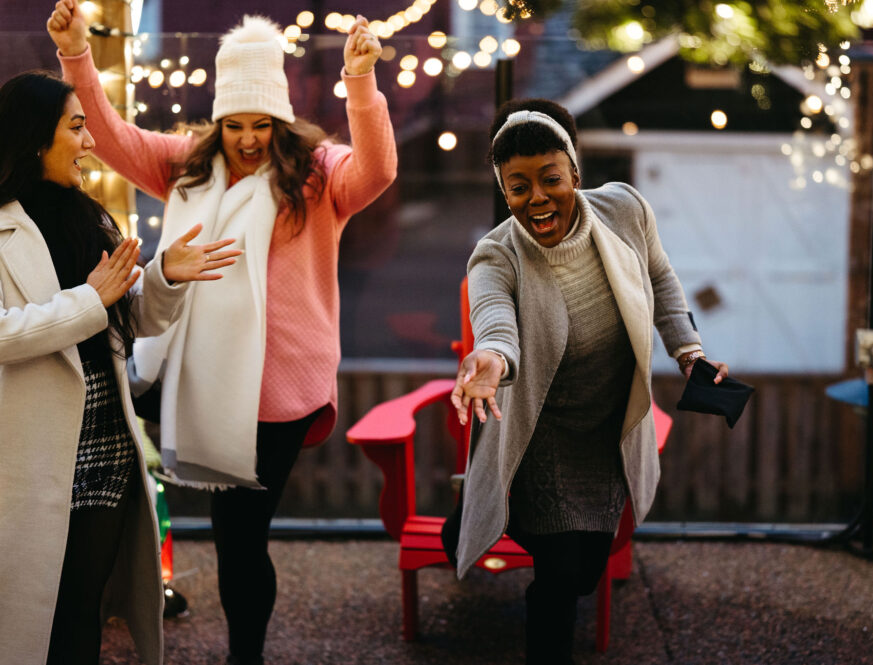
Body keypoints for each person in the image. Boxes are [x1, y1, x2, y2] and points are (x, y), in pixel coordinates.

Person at [48, 3, 397, 663]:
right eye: (234, 124)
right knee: (232, 531)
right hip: (195, 377)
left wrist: (360, 82)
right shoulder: (190, 163)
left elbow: (377, 173)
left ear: (281, 119)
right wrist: (76, 54)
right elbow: (116, 138)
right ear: (218, 120)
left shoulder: (318, 172)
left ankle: (246, 653)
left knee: (241, 534)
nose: (246, 139)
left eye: (261, 124)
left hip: (283, 392)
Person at [449, 98, 729, 664]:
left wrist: (689, 351)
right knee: (559, 577)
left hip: (607, 428)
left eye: (550, 179)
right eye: (518, 187)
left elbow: (660, 278)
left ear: (575, 172)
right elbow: (495, 322)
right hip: (543, 432)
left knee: (584, 570)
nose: (537, 198)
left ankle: (465, 516)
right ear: (505, 192)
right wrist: (493, 358)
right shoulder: (495, 255)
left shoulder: (626, 209)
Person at [0, 70, 240, 665]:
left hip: (105, 443)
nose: (89, 143)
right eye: (76, 127)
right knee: (29, 611)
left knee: (83, 605)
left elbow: (127, 319)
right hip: (29, 458)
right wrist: (89, 300)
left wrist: (162, 278)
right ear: (34, 138)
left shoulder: (89, 218)